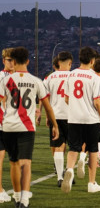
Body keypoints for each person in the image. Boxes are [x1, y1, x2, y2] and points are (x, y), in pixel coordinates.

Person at [0, 47, 59, 207]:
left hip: (8, 126)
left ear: (13, 60)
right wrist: (54, 125)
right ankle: (24, 199)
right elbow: (47, 107)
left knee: (13, 162)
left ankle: (17, 196)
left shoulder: (5, 81)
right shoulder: (36, 81)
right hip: (26, 127)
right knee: (26, 162)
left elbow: (1, 102)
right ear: (27, 61)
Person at [61, 46, 100, 194]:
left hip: (73, 118)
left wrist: (75, 106)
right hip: (90, 118)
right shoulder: (95, 77)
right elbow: (97, 102)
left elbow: (67, 98)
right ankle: (91, 183)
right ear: (92, 61)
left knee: (73, 148)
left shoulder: (71, 75)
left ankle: (69, 170)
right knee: (92, 150)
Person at [43, 51, 73, 188]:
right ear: (70, 63)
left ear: (58, 62)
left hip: (56, 116)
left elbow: (44, 98)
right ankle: (70, 172)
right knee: (73, 147)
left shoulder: (50, 78)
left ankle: (60, 177)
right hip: (73, 116)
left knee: (58, 147)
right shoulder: (74, 76)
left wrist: (45, 116)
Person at [0, 48, 14, 203]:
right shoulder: (1, 76)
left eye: (14, 60)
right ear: (4, 60)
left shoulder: (18, 77)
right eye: (9, 60)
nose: (12, 63)